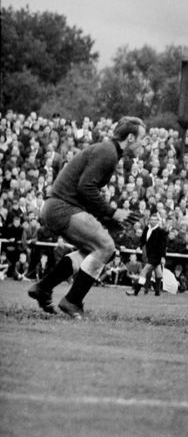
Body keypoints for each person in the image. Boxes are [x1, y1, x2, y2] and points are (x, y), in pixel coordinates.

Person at [27, 116, 146, 317]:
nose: (144, 143)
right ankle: (71, 301)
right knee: (106, 247)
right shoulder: (107, 152)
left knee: (95, 252)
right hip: (62, 207)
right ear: (131, 137)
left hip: (57, 207)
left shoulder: (108, 151)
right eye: (143, 138)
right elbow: (85, 187)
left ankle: (44, 288)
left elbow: (84, 191)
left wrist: (108, 219)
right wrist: (112, 212)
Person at [127, 213, 169, 296]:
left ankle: (136, 292)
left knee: (144, 271)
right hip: (149, 254)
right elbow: (143, 240)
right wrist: (139, 246)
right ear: (149, 220)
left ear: (157, 221)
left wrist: (163, 257)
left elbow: (163, 245)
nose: (153, 221)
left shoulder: (160, 231)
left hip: (156, 255)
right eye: (151, 220)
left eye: (154, 220)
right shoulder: (146, 228)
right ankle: (157, 292)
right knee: (158, 273)